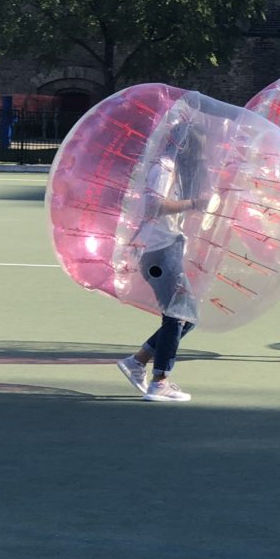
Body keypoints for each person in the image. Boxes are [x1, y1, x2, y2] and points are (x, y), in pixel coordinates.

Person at [116, 121, 207, 401]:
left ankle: (138, 361)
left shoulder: (176, 171)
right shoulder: (164, 169)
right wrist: (193, 204)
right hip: (158, 249)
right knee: (178, 315)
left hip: (168, 246)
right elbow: (154, 206)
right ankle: (160, 380)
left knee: (186, 316)